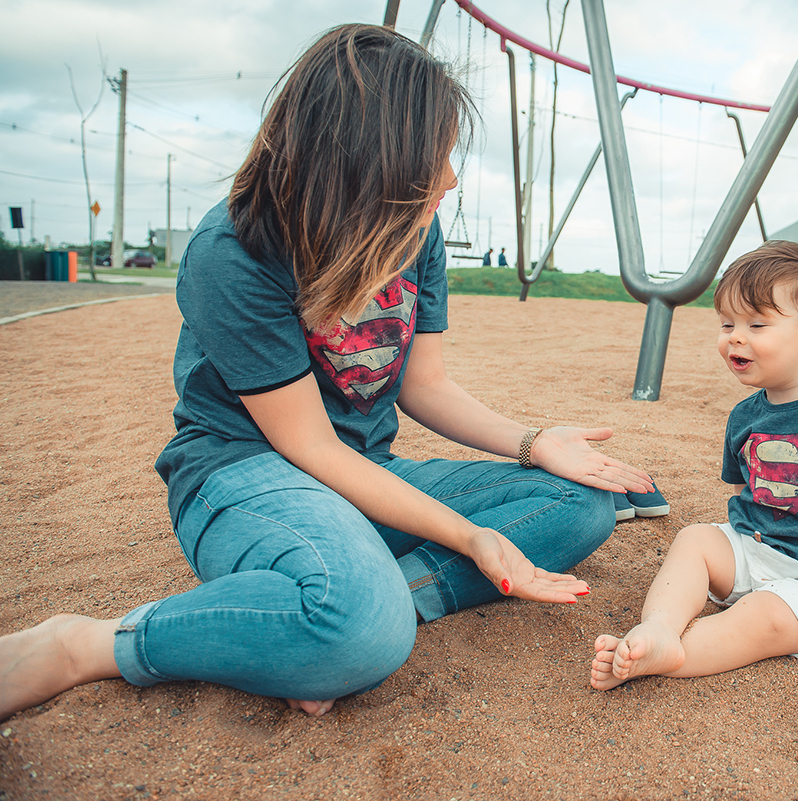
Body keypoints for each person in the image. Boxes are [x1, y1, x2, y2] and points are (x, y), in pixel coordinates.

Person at [0, 24, 653, 723]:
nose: (450, 177)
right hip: (244, 475)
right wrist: (469, 537)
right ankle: (84, 644)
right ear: (374, 157)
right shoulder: (235, 248)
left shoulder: (415, 229)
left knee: (581, 502)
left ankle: (337, 618)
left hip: (365, 472)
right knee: (363, 628)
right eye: (435, 154)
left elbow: (424, 384)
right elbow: (308, 445)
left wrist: (534, 443)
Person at [591, 241, 798, 690]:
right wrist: (738, 551)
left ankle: (667, 657)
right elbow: (745, 491)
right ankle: (659, 626)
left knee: (762, 617)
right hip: (757, 550)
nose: (735, 336)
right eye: (727, 323)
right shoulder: (745, 416)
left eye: (757, 324)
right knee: (695, 539)